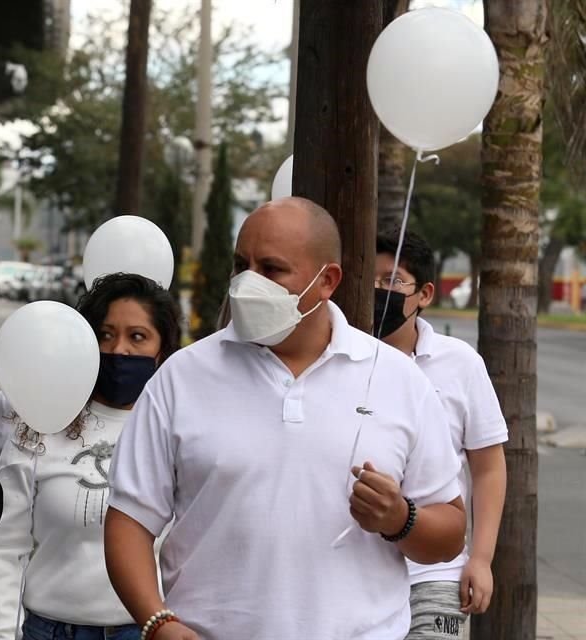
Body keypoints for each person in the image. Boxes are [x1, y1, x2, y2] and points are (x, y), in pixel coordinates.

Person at [103, 197, 468, 640]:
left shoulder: (397, 379)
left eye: (272, 268)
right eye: (241, 265)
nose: (247, 283)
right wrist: (158, 622)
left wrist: (400, 518)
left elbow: (449, 532)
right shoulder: (182, 376)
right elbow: (129, 520)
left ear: (326, 280)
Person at [0, 273, 182, 640]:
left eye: (137, 336)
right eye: (105, 334)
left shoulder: (179, 430)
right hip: (49, 630)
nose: (119, 350)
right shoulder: (42, 421)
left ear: (161, 349)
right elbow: (1, 546)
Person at [374, 229, 507, 639]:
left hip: (437, 572)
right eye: (372, 279)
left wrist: (481, 559)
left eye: (392, 280)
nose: (380, 290)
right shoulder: (343, 359)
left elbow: (488, 467)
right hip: (360, 573)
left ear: (425, 294)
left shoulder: (460, 363)